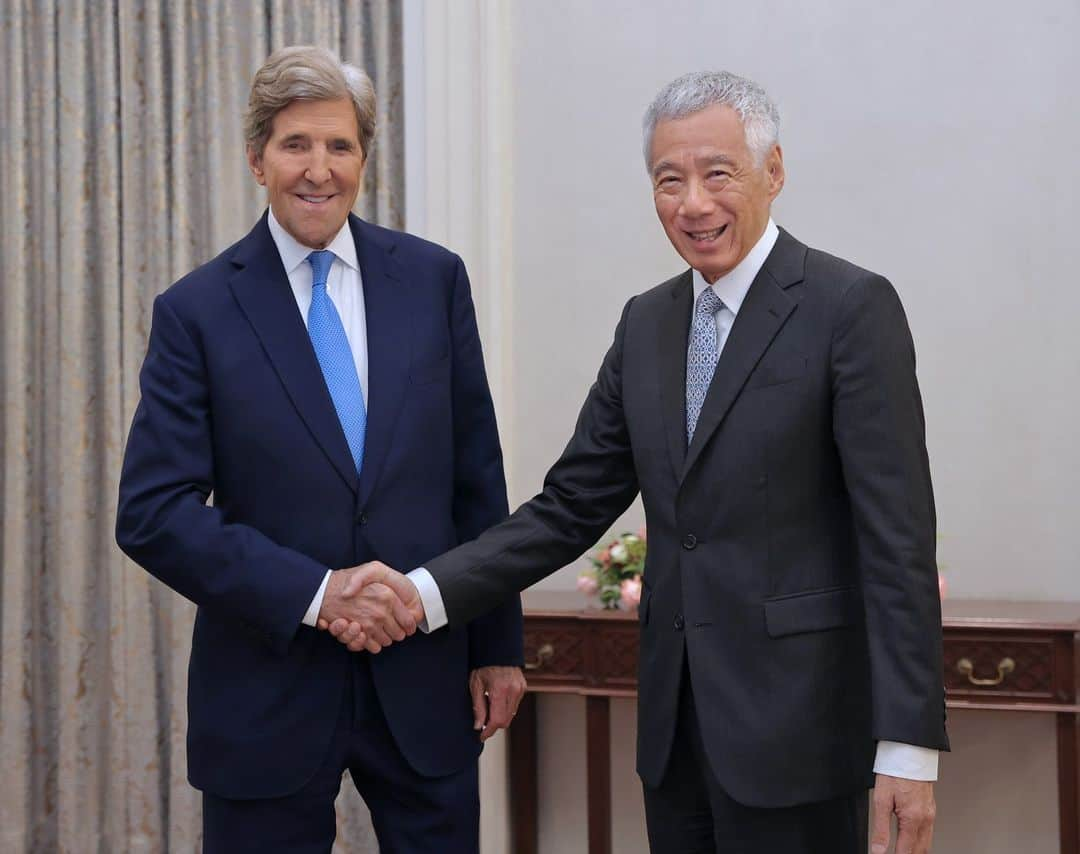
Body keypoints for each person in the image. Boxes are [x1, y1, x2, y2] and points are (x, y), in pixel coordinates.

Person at [331, 71, 948, 854]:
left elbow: (897, 543)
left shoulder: (850, 308)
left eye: (717, 173)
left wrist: (907, 751)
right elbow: (569, 507)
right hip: (674, 735)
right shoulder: (648, 323)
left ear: (775, 171)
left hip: (802, 736)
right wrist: (422, 593)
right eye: (669, 180)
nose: (693, 203)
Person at [115, 45, 525, 854]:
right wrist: (317, 591)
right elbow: (152, 512)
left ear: (364, 158)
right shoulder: (196, 311)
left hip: (426, 679)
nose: (319, 169)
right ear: (257, 159)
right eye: (296, 144)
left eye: (340, 146)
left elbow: (476, 476)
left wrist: (497, 646)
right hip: (268, 688)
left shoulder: (435, 280)